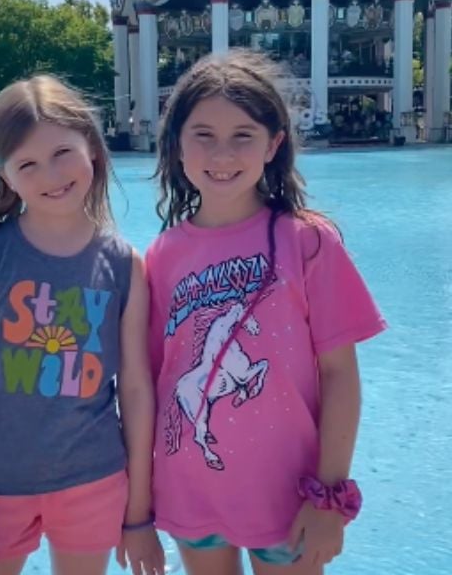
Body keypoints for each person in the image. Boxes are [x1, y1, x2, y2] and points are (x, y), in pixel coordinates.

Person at [145, 49, 386, 575]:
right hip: (189, 489)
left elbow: (340, 374)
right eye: (203, 134)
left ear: (274, 144)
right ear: (176, 145)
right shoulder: (162, 256)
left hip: (288, 496)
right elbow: (153, 378)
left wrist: (330, 496)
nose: (222, 153)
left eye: (243, 136)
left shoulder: (307, 243)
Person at [0, 74, 164, 575]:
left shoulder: (125, 265)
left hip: (94, 480)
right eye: (28, 164)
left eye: (62, 153)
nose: (51, 174)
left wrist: (139, 511)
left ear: (93, 149)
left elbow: (137, 390)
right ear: (5, 176)